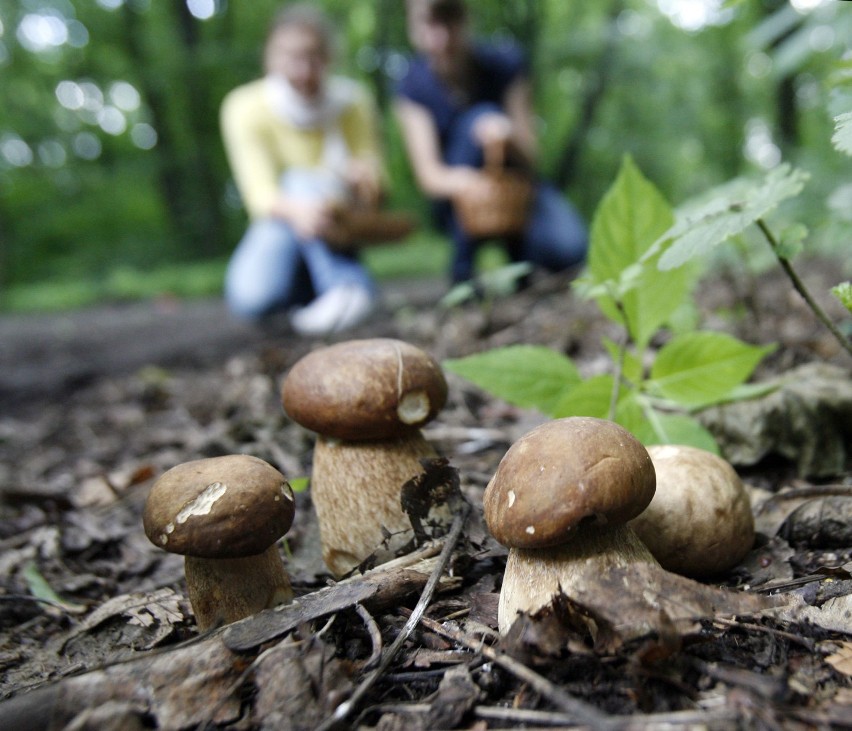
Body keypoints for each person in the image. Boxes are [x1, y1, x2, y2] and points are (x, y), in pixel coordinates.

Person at [395, 0, 589, 285]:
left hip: (519, 187)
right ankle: (463, 271)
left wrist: (506, 137)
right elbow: (429, 175)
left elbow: (532, 156)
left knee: (570, 250)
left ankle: (521, 261)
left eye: (451, 21)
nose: (443, 38)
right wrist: (475, 185)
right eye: (430, 23)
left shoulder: (504, 65)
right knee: (480, 116)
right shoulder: (412, 85)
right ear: (413, 26)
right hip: (457, 203)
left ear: (467, 19)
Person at [220, 4, 383, 335]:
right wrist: (300, 210)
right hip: (280, 226)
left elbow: (378, 183)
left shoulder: (353, 103)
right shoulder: (244, 107)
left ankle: (345, 288)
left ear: (328, 57)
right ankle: (331, 292)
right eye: (291, 56)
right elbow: (259, 194)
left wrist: (364, 178)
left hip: (338, 226)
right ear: (270, 57)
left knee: (304, 181)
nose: (304, 70)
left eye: (313, 56)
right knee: (252, 297)